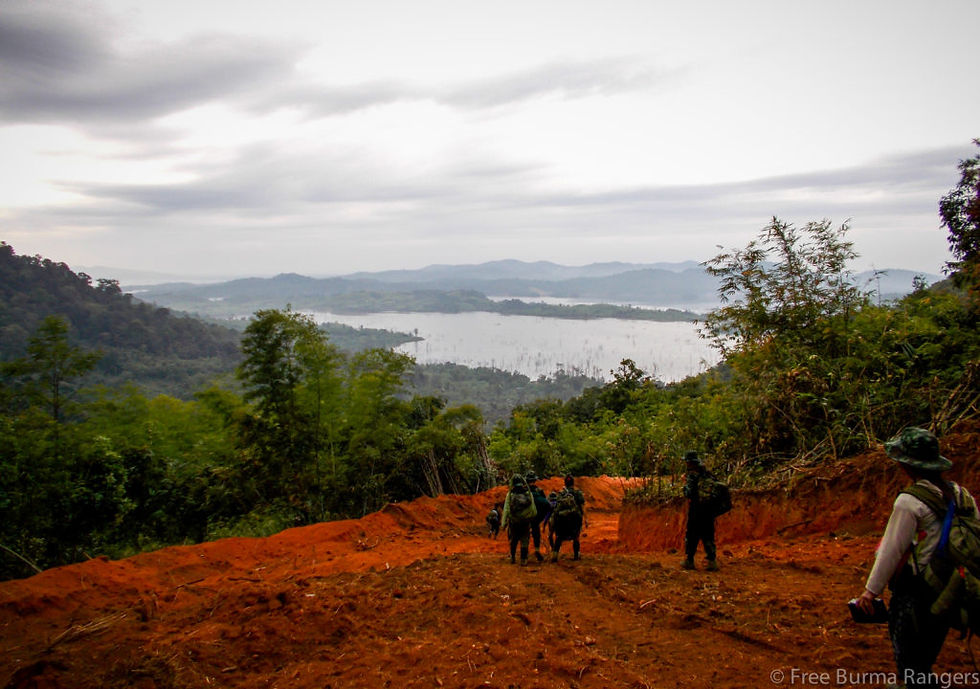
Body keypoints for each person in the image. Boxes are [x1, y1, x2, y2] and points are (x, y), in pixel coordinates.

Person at [853, 427, 978, 687]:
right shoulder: (961, 494)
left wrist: (870, 592)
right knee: (927, 653)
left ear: (907, 464)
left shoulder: (909, 501)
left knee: (909, 658)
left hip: (916, 591)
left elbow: (891, 549)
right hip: (950, 589)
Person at [681, 451, 719, 571]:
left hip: (696, 510)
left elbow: (689, 493)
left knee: (692, 534)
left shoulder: (692, 476)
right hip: (709, 510)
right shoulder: (708, 474)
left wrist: (684, 485)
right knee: (708, 534)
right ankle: (712, 561)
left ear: (689, 462)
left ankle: (689, 560)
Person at [501, 475, 536, 565]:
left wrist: (503, 523)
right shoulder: (528, 493)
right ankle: (523, 559)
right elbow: (533, 510)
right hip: (525, 522)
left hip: (514, 522)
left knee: (514, 539)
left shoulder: (510, 494)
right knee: (525, 539)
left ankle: (512, 557)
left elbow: (506, 509)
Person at [551, 475, 586, 561]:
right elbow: (582, 506)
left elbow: (555, 508)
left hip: (561, 521)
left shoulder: (560, 494)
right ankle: (576, 555)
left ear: (565, 483)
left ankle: (555, 555)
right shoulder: (578, 493)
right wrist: (585, 518)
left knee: (558, 537)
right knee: (576, 537)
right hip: (574, 521)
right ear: (573, 483)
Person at [526, 472, 552, 562]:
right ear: (535, 480)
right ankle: (537, 550)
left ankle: (524, 552)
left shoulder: (524, 491)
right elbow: (546, 504)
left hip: (525, 516)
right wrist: (541, 517)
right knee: (536, 532)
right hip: (536, 516)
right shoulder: (539, 491)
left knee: (524, 534)